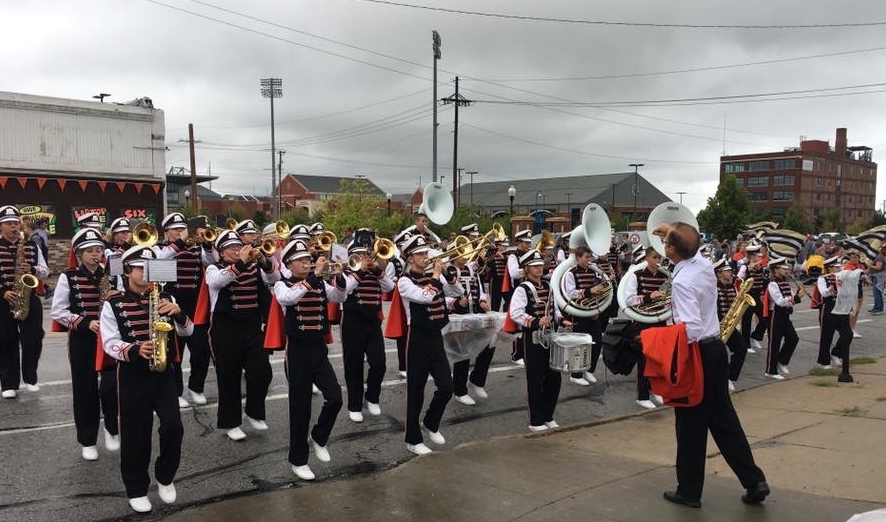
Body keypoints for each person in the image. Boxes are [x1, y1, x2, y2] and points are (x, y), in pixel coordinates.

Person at [652, 221, 768, 509]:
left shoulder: (681, 281)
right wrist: (672, 231)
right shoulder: (703, 266)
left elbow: (689, 328)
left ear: (671, 250)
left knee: (690, 424)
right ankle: (754, 481)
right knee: (724, 420)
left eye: (667, 242)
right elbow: (692, 246)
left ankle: (689, 491)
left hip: (696, 352)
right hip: (715, 348)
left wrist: (663, 336)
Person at [100, 244, 193, 513]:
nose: (146, 273)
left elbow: (188, 331)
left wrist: (178, 314)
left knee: (174, 427)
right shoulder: (114, 303)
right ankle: (137, 488)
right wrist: (134, 349)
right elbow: (109, 342)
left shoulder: (166, 298)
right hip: (132, 374)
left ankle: (165, 476)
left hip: (164, 373)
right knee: (135, 434)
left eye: (150, 268)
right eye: (141, 267)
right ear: (128, 271)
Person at [273, 240, 346, 481]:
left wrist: (342, 277)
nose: (306, 263)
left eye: (308, 259)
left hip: (317, 349)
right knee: (300, 407)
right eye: (301, 260)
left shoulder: (319, 282)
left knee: (335, 397)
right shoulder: (282, 285)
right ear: (288, 264)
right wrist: (314, 277)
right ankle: (298, 460)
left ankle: (319, 437)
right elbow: (289, 299)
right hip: (297, 351)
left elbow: (338, 296)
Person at [51, 228, 121, 461]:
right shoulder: (68, 276)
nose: (96, 254)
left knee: (112, 387)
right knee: (85, 389)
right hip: (83, 338)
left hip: (109, 338)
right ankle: (88, 440)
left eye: (99, 250)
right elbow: (59, 311)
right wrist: (84, 323)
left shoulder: (113, 273)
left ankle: (112, 429)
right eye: (90, 251)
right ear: (79, 253)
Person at [205, 230, 279, 441]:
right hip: (224, 330)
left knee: (262, 372)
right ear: (221, 252)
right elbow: (217, 282)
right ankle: (231, 422)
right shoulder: (214, 268)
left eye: (238, 246)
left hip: (252, 328)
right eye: (231, 248)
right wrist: (240, 264)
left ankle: (254, 412)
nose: (237, 250)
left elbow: (276, 277)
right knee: (229, 377)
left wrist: (264, 260)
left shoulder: (254, 268)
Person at [397, 234, 463, 455]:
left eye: (426, 253)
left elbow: (456, 292)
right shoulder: (405, 281)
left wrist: (446, 273)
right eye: (421, 254)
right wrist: (435, 274)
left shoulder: (434, 276)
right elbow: (424, 297)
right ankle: (412, 440)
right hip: (416, 338)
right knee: (416, 391)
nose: (426, 257)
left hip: (435, 335)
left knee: (447, 387)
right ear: (410, 257)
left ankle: (431, 423)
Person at [154, 212, 216, 407]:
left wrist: (206, 243)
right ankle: (176, 391)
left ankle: (196, 387)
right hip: (171, 303)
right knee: (174, 350)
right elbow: (160, 260)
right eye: (177, 229)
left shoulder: (196, 248)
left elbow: (212, 260)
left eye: (183, 229)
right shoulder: (160, 248)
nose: (182, 233)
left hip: (196, 305)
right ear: (166, 231)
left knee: (201, 349)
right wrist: (180, 242)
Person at [509, 249, 568, 432]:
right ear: (526, 269)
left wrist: (560, 319)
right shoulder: (522, 289)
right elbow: (516, 313)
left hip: (550, 337)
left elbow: (554, 309)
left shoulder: (548, 286)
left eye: (540, 265)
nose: (539, 269)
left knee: (554, 378)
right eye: (535, 266)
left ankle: (548, 415)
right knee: (535, 380)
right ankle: (535, 420)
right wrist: (535, 321)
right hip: (532, 339)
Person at [339, 228, 394, 422]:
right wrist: (360, 272)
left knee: (379, 363)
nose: (364, 257)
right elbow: (345, 289)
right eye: (359, 255)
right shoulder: (345, 272)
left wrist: (377, 270)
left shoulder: (375, 270)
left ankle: (372, 397)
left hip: (372, 322)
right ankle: (354, 405)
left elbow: (390, 287)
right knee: (353, 366)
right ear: (352, 256)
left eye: (366, 254)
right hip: (352, 322)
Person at [0, 205, 49, 398]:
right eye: (9, 223)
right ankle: (8, 384)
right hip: (4, 299)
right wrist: (3, 291)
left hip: (28, 296)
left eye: (15, 223)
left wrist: (34, 270)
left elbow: (45, 270)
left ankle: (30, 378)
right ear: (1, 226)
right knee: (6, 341)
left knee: (33, 339)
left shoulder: (30, 245)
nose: (13, 226)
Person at [620, 247, 667, 409]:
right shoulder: (636, 275)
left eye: (659, 258)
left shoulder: (665, 276)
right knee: (644, 359)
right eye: (654, 258)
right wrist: (649, 296)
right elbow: (629, 299)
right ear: (647, 258)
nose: (657, 261)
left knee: (659, 359)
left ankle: (655, 390)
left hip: (660, 319)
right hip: (643, 321)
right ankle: (642, 395)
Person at [450, 251, 493, 405]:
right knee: (463, 352)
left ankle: (477, 380)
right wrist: (455, 301)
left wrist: (482, 300)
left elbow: (480, 289)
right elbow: (442, 293)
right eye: (461, 252)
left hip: (474, 313)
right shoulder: (448, 270)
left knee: (489, 344)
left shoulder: (471, 269)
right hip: (456, 315)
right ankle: (459, 391)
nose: (465, 254)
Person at [562, 245, 606, 386]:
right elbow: (570, 294)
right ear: (578, 257)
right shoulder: (571, 273)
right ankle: (576, 374)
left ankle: (589, 370)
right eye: (586, 257)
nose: (589, 260)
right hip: (579, 312)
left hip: (592, 311)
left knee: (597, 342)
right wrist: (590, 291)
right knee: (580, 344)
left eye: (590, 257)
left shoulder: (593, 272)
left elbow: (598, 291)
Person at [765, 257, 806, 379]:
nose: (787, 270)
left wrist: (799, 291)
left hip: (785, 315)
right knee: (774, 343)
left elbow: (790, 296)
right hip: (775, 316)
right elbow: (780, 301)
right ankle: (770, 371)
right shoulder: (772, 284)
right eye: (784, 268)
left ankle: (781, 361)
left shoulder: (784, 282)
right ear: (776, 270)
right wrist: (797, 298)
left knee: (793, 339)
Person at [713, 258, 748, 392]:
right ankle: (717, 382)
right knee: (719, 356)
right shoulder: (714, 288)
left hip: (730, 325)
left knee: (741, 349)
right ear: (719, 273)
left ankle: (729, 377)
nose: (730, 273)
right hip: (717, 326)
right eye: (727, 271)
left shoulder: (732, 286)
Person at [868, 244, 885, 315]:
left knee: (876, 293)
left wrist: (870, 265)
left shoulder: (879, 257)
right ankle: (879, 307)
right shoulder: (880, 256)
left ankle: (877, 308)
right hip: (879, 276)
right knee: (878, 292)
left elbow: (878, 267)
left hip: (877, 276)